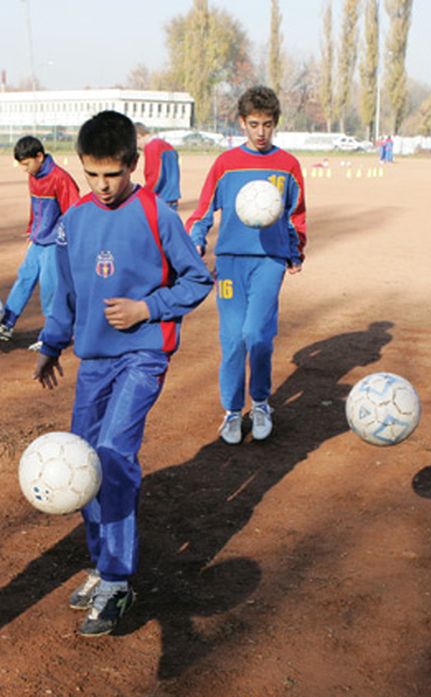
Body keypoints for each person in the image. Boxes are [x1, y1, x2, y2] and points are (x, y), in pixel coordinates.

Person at [33, 111, 213, 636]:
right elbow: (65, 296)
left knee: (112, 455)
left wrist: (147, 309)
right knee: (82, 463)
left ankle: (116, 578)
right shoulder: (73, 223)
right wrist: (51, 343)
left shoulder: (157, 215)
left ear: (132, 165)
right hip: (94, 360)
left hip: (143, 355)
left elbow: (197, 279)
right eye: (92, 174)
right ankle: (99, 561)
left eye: (112, 174)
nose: (102, 186)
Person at [186, 85, 306, 445]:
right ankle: (233, 411)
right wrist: (197, 239)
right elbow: (203, 210)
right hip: (230, 263)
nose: (261, 132)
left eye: (268, 124)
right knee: (233, 339)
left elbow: (296, 214)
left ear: (276, 124)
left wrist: (295, 250)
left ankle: (262, 403)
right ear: (242, 123)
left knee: (258, 335)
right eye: (254, 124)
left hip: (269, 262)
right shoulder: (226, 164)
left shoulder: (288, 166)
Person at [0, 136, 80, 343]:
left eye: (26, 164)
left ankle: (52, 334)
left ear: (39, 156)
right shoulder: (33, 176)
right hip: (39, 239)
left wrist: (68, 242)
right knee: (24, 277)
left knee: (50, 287)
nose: (25, 169)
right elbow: (35, 205)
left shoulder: (60, 178)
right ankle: (6, 324)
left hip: (55, 242)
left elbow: (74, 213)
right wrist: (32, 228)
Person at [135, 122, 181, 211]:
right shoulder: (167, 145)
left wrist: (143, 196)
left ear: (138, 136)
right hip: (172, 198)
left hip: (160, 200)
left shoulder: (151, 147)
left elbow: (154, 177)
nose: (138, 147)